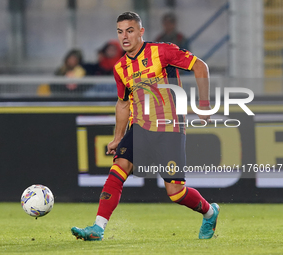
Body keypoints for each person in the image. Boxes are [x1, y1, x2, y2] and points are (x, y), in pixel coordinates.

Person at [71, 11, 219, 241]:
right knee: (118, 167)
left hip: (170, 127)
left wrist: (204, 105)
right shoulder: (120, 68)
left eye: (130, 30)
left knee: (176, 193)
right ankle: (98, 228)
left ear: (141, 31)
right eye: (120, 32)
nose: (125, 36)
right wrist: (118, 137)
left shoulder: (162, 51)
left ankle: (210, 212)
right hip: (139, 128)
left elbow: (200, 67)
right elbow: (122, 104)